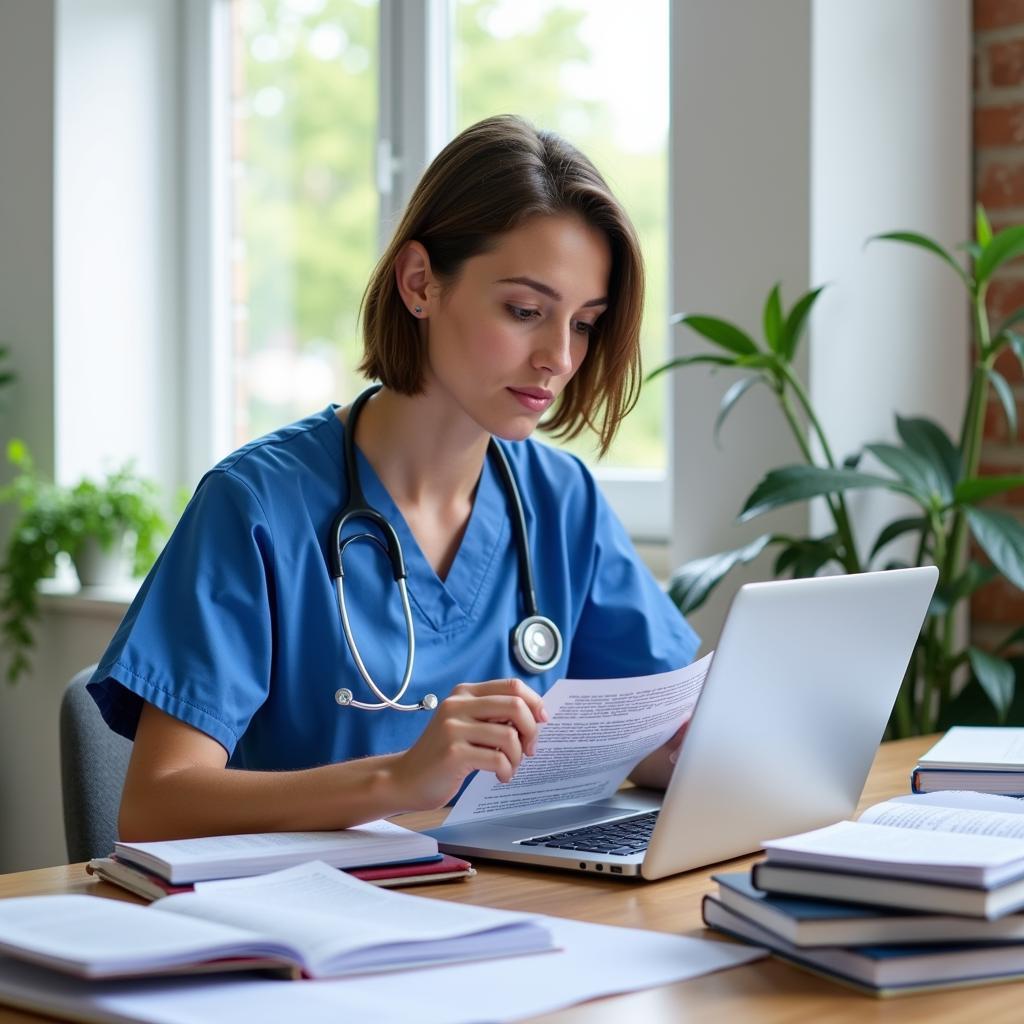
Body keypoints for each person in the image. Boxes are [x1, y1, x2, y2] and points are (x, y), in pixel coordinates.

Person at [88, 115, 699, 841]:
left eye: (584, 323)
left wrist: (695, 749)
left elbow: (661, 739)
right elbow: (156, 806)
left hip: (512, 909)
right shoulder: (257, 506)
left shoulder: (560, 502)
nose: (558, 358)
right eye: (526, 311)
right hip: (306, 925)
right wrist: (399, 780)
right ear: (419, 284)